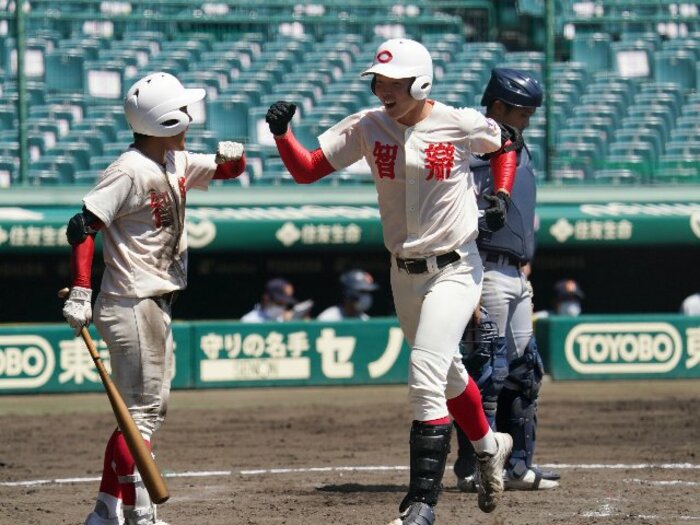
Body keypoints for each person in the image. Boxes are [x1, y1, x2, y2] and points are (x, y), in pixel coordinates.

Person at [265, 38, 518, 524]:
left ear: (421, 82)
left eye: (394, 81)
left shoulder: (459, 121)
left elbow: (507, 140)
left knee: (424, 378)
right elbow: (308, 170)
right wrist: (282, 134)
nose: (383, 88)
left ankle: (422, 505)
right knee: (448, 376)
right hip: (404, 272)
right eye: (379, 80)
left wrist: (501, 193)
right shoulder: (368, 124)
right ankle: (490, 448)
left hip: (456, 268)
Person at [61, 71, 246, 525]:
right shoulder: (129, 170)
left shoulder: (174, 160)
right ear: (165, 121)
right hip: (133, 301)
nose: (189, 118)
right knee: (141, 417)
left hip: (150, 301)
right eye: (183, 112)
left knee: (136, 415)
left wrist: (234, 159)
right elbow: (82, 226)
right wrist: (82, 290)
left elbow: (225, 171)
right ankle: (140, 514)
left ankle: (106, 510)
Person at [452, 68, 561, 493]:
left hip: (516, 272)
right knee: (486, 372)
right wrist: (469, 280)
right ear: (497, 107)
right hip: (485, 272)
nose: (529, 118)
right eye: (522, 110)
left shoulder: (521, 149)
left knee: (525, 371)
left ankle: (516, 467)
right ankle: (474, 467)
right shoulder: (475, 151)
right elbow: (460, 218)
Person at [240, 277, 314, 322]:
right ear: (266, 298)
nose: (282, 307)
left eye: (285, 303)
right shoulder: (250, 320)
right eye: (279, 302)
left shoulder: (285, 320)